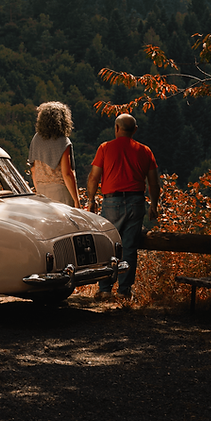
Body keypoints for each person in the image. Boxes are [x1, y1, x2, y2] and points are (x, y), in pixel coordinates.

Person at [87, 113, 159, 302]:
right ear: (134, 130)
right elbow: (153, 183)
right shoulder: (145, 151)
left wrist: (92, 199)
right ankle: (124, 291)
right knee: (129, 248)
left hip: (111, 202)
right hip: (136, 202)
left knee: (108, 245)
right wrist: (154, 205)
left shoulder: (105, 148)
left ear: (116, 128)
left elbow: (94, 177)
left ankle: (104, 290)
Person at [27, 101, 80, 209]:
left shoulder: (36, 139)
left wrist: (39, 190)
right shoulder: (63, 141)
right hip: (60, 192)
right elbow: (67, 174)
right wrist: (76, 200)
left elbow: (33, 169)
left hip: (41, 192)